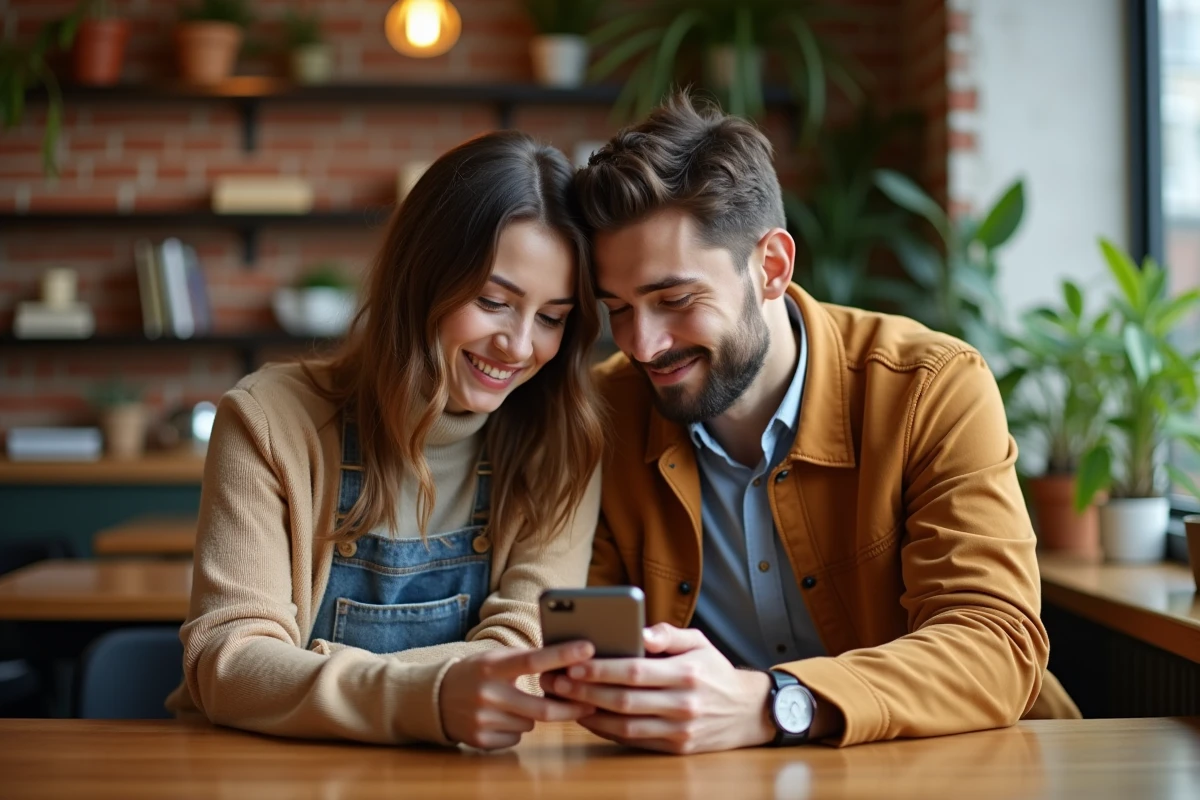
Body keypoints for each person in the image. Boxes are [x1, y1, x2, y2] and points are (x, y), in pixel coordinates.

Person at [544, 92, 1080, 754]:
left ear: (771, 266)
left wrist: (775, 702)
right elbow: (580, 643)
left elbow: (994, 644)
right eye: (619, 309)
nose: (643, 344)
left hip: (954, 771)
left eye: (675, 299)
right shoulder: (605, 415)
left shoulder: (931, 388)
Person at [167, 131, 605, 750]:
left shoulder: (559, 444)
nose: (519, 345)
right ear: (420, 278)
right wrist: (430, 697)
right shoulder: (268, 420)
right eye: (492, 301)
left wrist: (301, 672)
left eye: (552, 318)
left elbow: (528, 654)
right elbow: (231, 662)